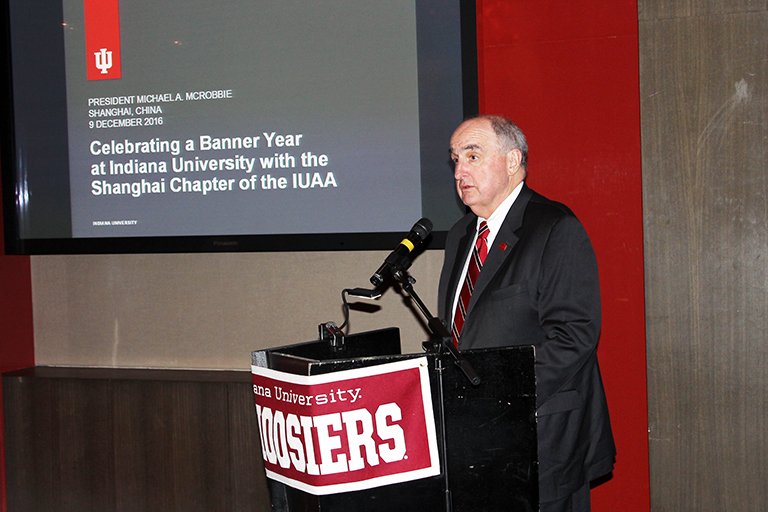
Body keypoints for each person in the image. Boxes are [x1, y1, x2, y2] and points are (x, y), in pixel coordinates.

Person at [437, 115, 616, 512]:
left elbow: (574, 336)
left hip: (542, 439)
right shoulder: (461, 236)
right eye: (455, 160)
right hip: (480, 440)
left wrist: (502, 397)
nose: (459, 170)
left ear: (513, 161)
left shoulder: (553, 227)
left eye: (472, 156)